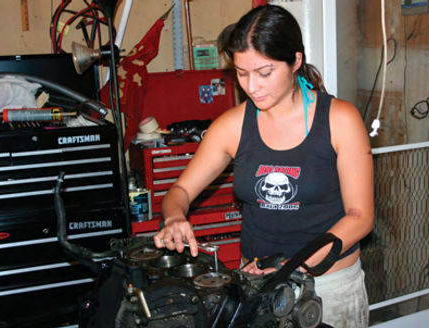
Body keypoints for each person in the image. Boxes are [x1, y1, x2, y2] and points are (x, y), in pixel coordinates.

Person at [154, 4, 374, 327]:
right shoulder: (232, 126)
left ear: (295, 61)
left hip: (328, 289)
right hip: (257, 288)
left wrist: (290, 267)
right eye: (242, 73)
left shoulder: (340, 120)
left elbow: (361, 217)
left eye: (264, 73)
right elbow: (181, 190)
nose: (251, 87)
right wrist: (174, 217)